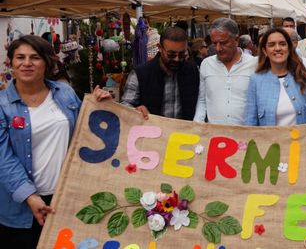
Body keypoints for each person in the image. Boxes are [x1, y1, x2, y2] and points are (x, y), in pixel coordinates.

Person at [0, 35, 111, 248]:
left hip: (65, 197)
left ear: (46, 62)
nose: (27, 63)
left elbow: (85, 130)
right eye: (20, 57)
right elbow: (3, 159)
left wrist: (99, 105)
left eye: (35, 58)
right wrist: (30, 196)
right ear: (11, 62)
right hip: (22, 206)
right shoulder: (3, 105)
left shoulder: (65, 93)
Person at [244, 28, 306, 126]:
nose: (277, 48)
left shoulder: (304, 75)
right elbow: (250, 122)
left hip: (301, 140)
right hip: (269, 141)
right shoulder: (256, 80)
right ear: (265, 51)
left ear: (289, 47)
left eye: (282, 44)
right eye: (271, 45)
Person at [121, 27, 200, 120]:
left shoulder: (192, 70)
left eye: (182, 54)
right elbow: (125, 106)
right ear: (160, 48)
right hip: (152, 132)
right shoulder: (140, 73)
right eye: (171, 54)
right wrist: (136, 110)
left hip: (185, 132)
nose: (177, 59)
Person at [194, 18, 257, 124]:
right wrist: (197, 124)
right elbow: (202, 99)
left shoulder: (254, 64)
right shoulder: (206, 64)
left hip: (246, 135)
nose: (218, 48)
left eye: (223, 43)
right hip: (214, 135)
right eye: (215, 43)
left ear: (236, 40)